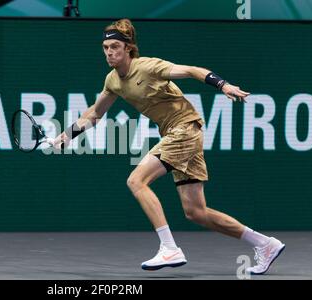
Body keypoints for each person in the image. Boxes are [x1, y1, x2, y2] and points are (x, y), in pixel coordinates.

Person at [53, 19, 285, 275]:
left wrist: (223, 85)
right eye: (106, 47)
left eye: (115, 46)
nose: (109, 52)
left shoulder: (149, 66)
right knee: (196, 212)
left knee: (136, 181)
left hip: (184, 129)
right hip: (183, 133)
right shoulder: (112, 80)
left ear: (128, 48)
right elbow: (95, 113)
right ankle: (265, 244)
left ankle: (169, 248)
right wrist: (66, 135)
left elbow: (192, 70)